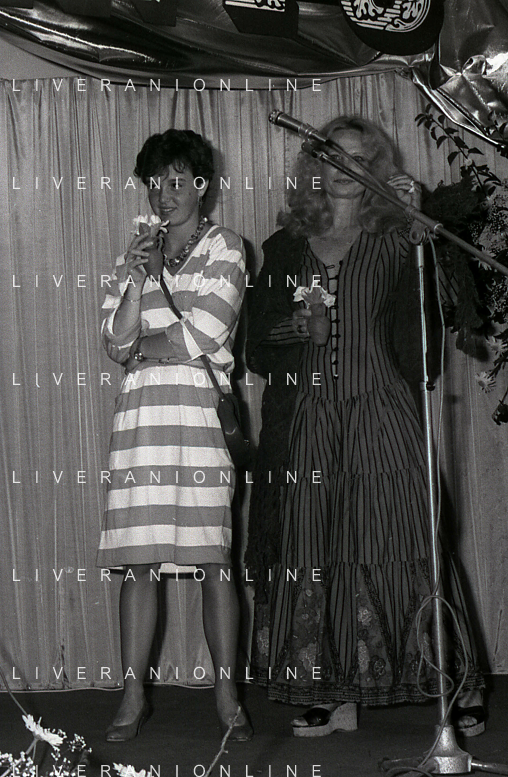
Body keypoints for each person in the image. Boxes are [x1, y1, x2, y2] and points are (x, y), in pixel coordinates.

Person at [246, 115, 487, 737]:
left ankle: (453, 683)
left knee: (404, 543)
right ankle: (332, 690)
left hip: (382, 412)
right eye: (334, 157)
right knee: (315, 547)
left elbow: (426, 338)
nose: (345, 169)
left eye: (359, 158)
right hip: (308, 419)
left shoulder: (398, 238)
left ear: (376, 168)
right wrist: (290, 331)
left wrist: (420, 234)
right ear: (315, 167)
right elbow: (255, 348)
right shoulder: (284, 247)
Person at [98, 129, 251, 742]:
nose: (166, 193)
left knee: (214, 559)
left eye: (180, 180)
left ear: (202, 186)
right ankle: (132, 693)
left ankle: (227, 692)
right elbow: (114, 342)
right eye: (157, 182)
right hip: (141, 423)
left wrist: (144, 348)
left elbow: (205, 334)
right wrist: (138, 278)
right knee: (139, 563)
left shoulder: (227, 247)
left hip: (199, 419)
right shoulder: (134, 252)